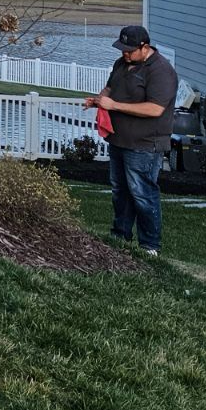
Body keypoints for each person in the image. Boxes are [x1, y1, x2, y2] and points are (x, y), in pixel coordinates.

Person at [84, 24, 177, 256]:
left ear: (144, 47)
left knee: (142, 193)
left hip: (145, 143)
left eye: (129, 50)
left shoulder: (161, 71)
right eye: (122, 48)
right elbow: (109, 87)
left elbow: (155, 109)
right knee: (120, 191)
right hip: (119, 140)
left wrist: (113, 105)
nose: (124, 53)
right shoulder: (121, 64)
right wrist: (98, 100)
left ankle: (150, 245)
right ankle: (120, 236)